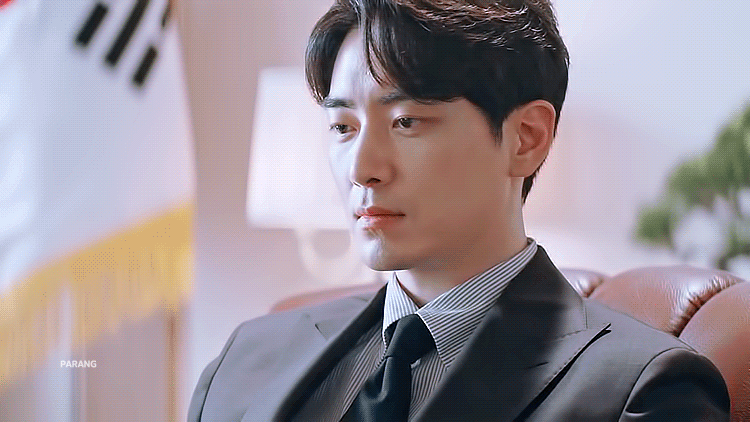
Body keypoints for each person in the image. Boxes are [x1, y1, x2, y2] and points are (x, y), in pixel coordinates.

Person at [188, 0, 730, 420]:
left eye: (406, 122)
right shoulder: (244, 361)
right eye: (342, 127)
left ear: (526, 138)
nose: (362, 169)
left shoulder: (645, 392)